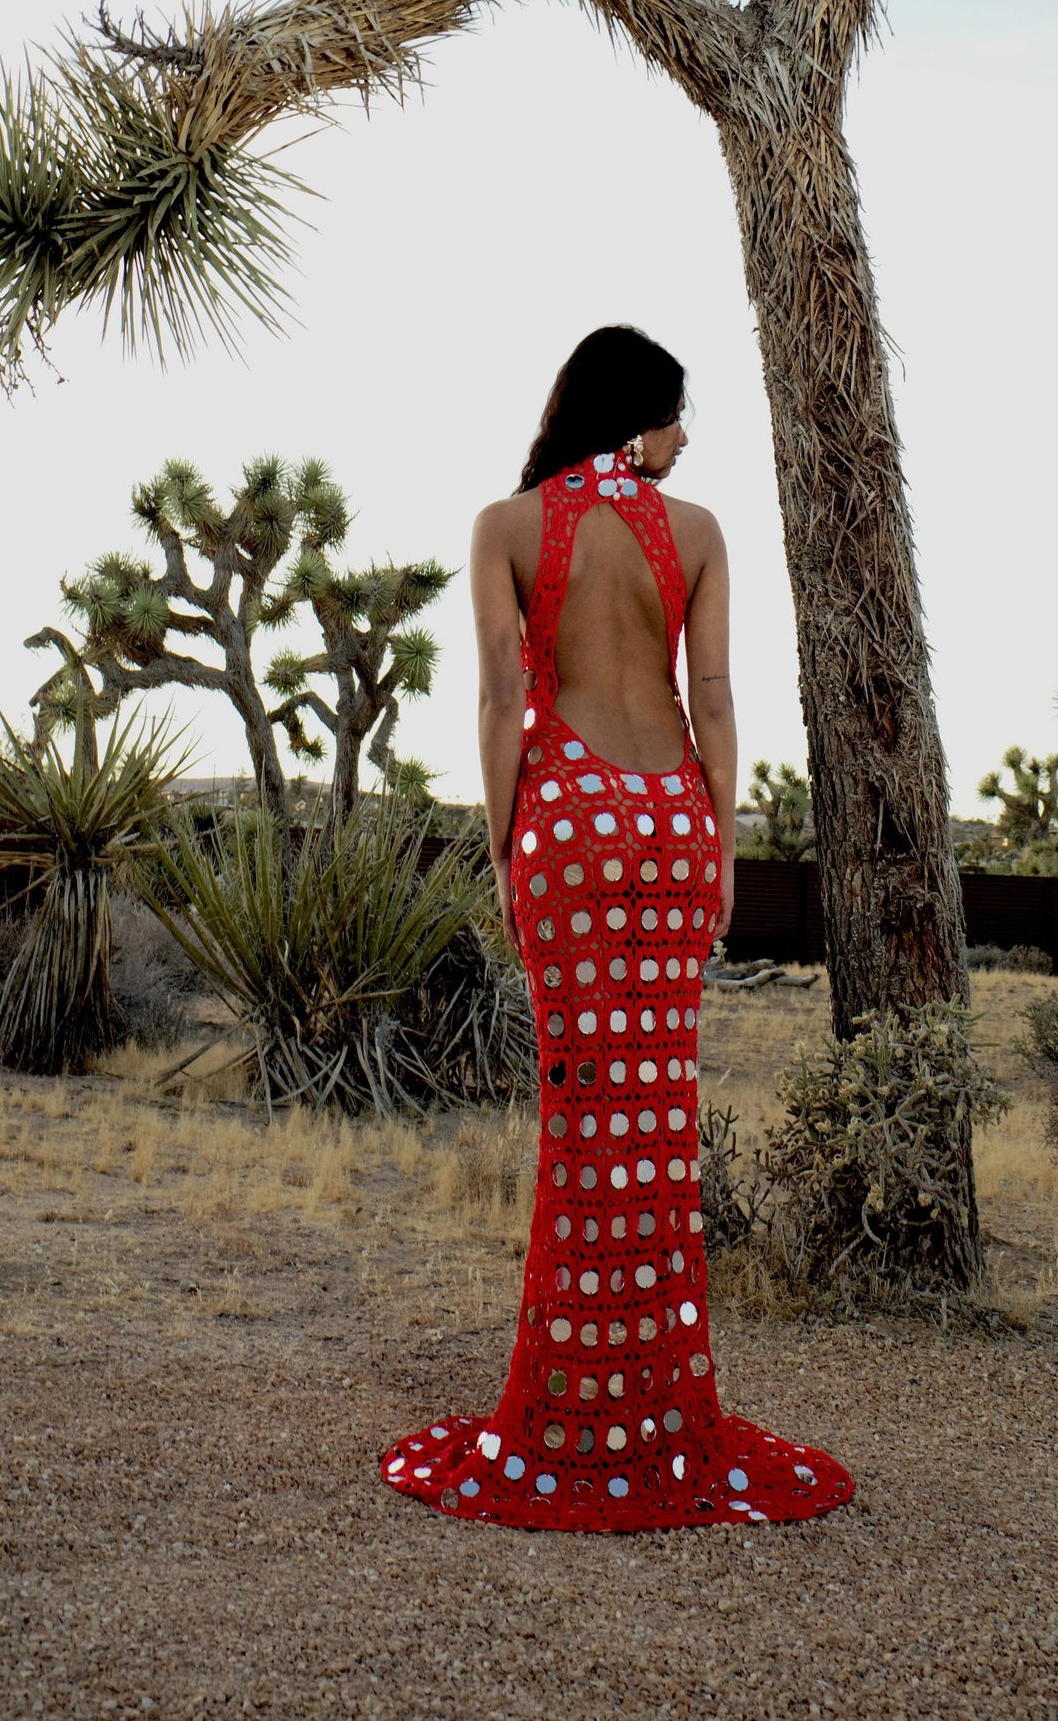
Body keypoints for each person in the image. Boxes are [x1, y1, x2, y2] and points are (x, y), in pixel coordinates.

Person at [380, 325, 852, 1530]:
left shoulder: (505, 523)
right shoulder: (693, 532)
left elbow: (499, 695)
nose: (684, 440)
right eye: (677, 416)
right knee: (656, 1114)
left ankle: (568, 1402)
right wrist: (724, 836)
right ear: (632, 417)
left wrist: (500, 838)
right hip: (674, 810)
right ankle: (653, 1401)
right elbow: (718, 696)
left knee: (581, 1108)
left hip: (571, 814)